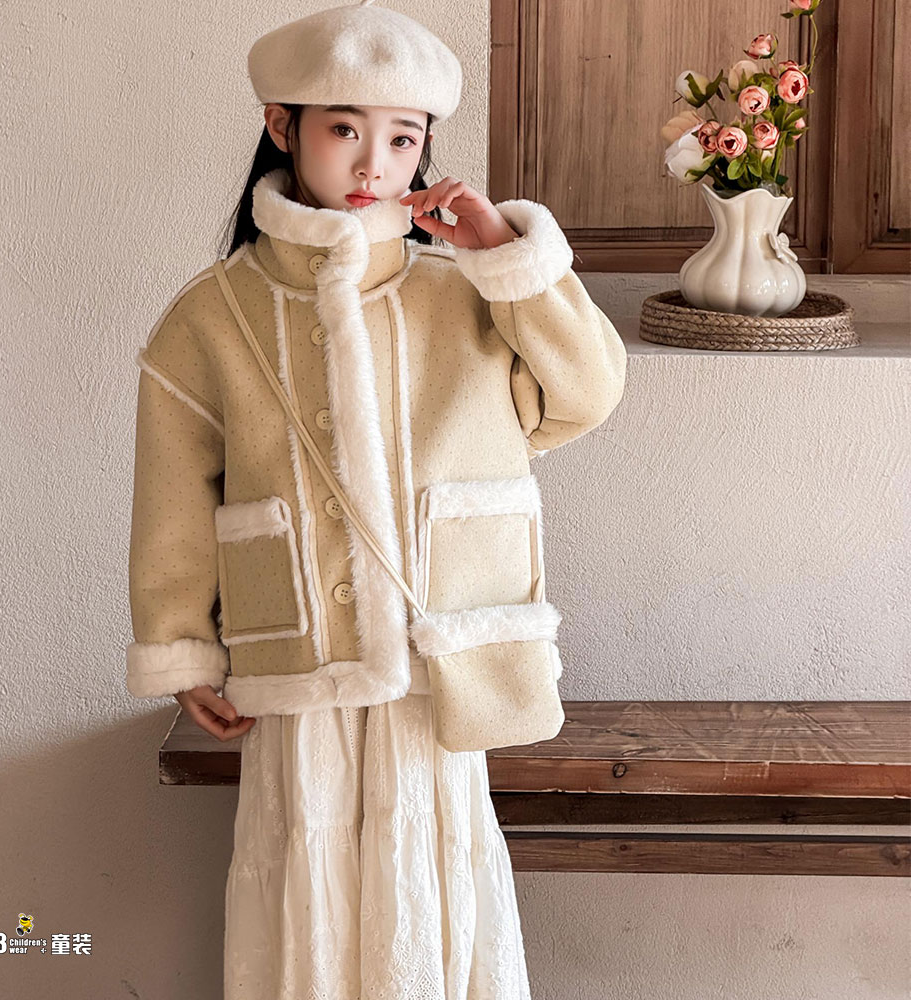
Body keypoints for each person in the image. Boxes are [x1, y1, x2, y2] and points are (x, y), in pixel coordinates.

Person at [124, 2, 627, 996]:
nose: (372, 163)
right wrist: (181, 646)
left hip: (444, 671)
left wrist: (503, 254)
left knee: (435, 903)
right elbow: (172, 493)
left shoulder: (466, 297)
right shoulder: (211, 314)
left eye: (402, 139)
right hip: (298, 665)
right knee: (308, 907)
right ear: (282, 126)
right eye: (345, 129)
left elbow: (587, 391)